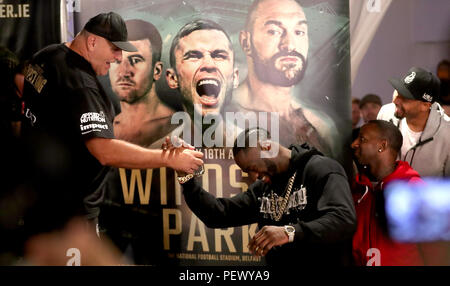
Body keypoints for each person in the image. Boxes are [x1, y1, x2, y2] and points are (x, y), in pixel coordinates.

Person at [20, 12, 203, 238]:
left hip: (39, 204)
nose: (118, 58)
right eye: (115, 49)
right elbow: (104, 151)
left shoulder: (46, 55)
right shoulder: (81, 84)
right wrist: (168, 159)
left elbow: (24, 88)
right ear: (93, 41)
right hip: (68, 218)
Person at [175, 127, 356, 266]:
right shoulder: (262, 189)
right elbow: (218, 214)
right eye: (247, 172)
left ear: (267, 146)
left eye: (253, 167)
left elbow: (343, 219)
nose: (253, 176)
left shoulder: (320, 169)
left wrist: (288, 232)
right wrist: (187, 179)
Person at [223, 0, 337, 155]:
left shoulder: (321, 127)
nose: (290, 45)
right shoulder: (222, 119)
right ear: (246, 42)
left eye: (299, 32)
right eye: (274, 31)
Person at [351, 120, 425, 266]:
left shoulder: (413, 189)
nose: (354, 144)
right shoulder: (357, 189)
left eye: (362, 139)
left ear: (382, 145)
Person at [164, 19, 240, 147]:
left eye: (219, 55)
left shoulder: (261, 155)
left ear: (235, 77)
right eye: (194, 56)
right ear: (173, 78)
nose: (209, 65)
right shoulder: (155, 157)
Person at [109, 19, 177, 147]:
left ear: (157, 71)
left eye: (135, 60)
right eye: (117, 60)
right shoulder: (102, 130)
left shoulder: (180, 127)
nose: (123, 72)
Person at [380, 66, 450, 177]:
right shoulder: (385, 113)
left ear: (425, 105)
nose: (395, 100)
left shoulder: (447, 134)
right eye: (397, 91)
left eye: (405, 97)